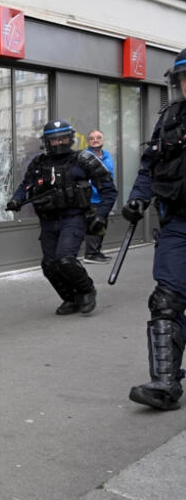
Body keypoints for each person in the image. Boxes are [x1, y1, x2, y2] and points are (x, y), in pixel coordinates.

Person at [125, 47, 186, 411]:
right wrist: (138, 199)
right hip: (178, 223)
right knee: (165, 300)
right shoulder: (169, 119)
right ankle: (165, 384)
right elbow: (149, 165)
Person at [6, 119, 117, 316]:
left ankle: (86, 290)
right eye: (54, 140)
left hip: (73, 218)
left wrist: (101, 214)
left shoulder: (84, 159)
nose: (59, 143)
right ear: (47, 142)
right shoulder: (39, 162)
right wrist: (16, 200)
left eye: (63, 138)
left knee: (65, 259)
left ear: (70, 138)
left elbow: (109, 190)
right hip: (48, 220)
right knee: (49, 265)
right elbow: (26, 185)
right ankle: (70, 298)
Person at [82, 130, 116, 263]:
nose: (95, 140)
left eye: (98, 138)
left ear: (103, 140)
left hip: (104, 198)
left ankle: (97, 251)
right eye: (91, 138)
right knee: (94, 223)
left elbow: (110, 175)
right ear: (88, 141)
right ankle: (90, 254)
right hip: (91, 198)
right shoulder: (85, 157)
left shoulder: (107, 155)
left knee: (102, 223)